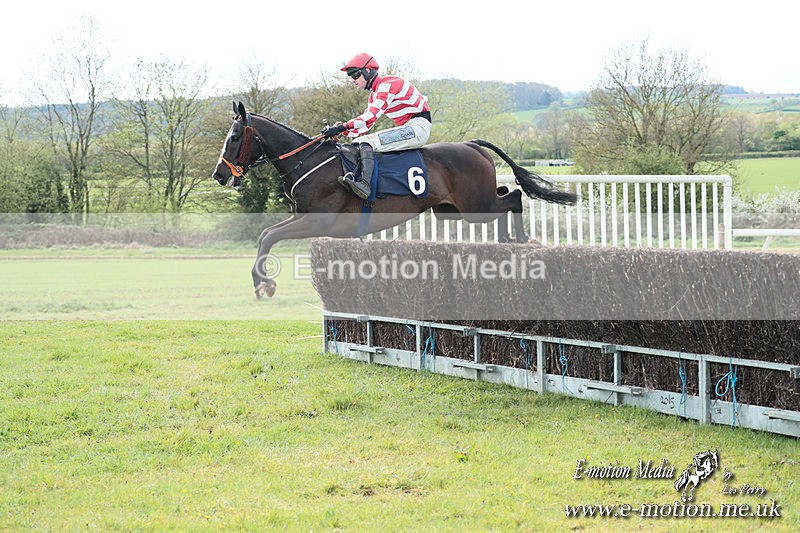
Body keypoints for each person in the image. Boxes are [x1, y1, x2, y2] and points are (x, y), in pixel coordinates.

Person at [322, 53, 432, 200]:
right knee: (362, 140)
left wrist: (342, 127)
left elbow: (370, 116)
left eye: (355, 76)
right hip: (410, 127)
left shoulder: (387, 84)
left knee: (367, 142)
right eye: (350, 77)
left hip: (417, 128)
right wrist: (344, 130)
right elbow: (366, 125)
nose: (353, 81)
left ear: (368, 71)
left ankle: (365, 185)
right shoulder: (374, 95)